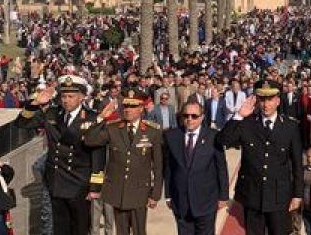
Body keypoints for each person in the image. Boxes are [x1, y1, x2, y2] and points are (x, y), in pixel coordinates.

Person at [14, 78, 106, 235]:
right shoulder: (52, 113)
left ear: (82, 97)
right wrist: (35, 103)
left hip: (79, 182)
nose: (66, 100)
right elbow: (22, 123)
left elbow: (98, 155)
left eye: (71, 96)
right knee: (60, 228)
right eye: (64, 96)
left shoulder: (91, 118)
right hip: (56, 180)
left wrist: (95, 187)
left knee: (80, 228)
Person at [216, 80, 303, 235]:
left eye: (270, 99)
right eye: (262, 99)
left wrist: (297, 194)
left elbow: (297, 164)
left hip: (279, 196)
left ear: (278, 100)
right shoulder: (247, 123)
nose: (265, 104)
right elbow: (223, 141)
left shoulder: (290, 127)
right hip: (252, 194)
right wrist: (238, 115)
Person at [84, 88, 163, 235]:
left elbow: (158, 166)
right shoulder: (113, 128)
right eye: (126, 106)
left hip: (140, 191)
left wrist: (155, 194)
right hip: (118, 191)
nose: (128, 110)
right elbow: (89, 140)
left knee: (140, 231)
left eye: (132, 106)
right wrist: (101, 118)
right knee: (121, 231)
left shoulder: (152, 131)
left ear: (141, 108)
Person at [162, 101, 229, 235]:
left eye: (194, 116)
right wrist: (168, 195)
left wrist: (223, 196)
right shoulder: (171, 136)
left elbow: (221, 168)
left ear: (202, 117)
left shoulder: (213, 136)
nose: (189, 119)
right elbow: (169, 168)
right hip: (180, 201)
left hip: (206, 201)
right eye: (186, 115)